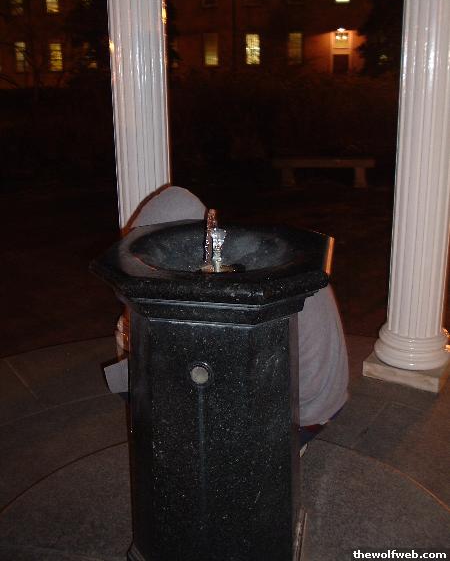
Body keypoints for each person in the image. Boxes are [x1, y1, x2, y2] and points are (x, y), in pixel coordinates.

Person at [104, 185, 349, 448]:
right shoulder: (246, 256)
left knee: (157, 387)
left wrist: (137, 343)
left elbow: (207, 370)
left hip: (299, 417)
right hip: (326, 399)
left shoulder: (229, 285)